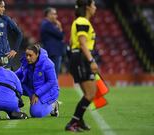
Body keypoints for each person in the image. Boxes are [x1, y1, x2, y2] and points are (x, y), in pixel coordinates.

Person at [65, 0, 98, 132]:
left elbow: (71, 42)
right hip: (82, 59)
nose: (95, 8)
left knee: (88, 93)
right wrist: (91, 61)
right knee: (90, 93)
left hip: (77, 58)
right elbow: (82, 43)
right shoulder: (82, 21)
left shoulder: (78, 22)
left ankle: (79, 121)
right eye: (94, 5)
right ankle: (72, 122)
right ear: (88, 7)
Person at [15, 44, 59, 118]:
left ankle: (53, 105)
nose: (27, 58)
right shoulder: (25, 62)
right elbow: (18, 74)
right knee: (13, 85)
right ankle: (14, 109)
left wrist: (37, 94)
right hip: (32, 90)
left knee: (36, 113)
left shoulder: (48, 64)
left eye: (30, 55)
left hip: (47, 91)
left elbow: (51, 82)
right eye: (26, 55)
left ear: (37, 54)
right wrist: (8, 76)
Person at [0, 0, 23, 69]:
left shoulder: (6, 19)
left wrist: (15, 50)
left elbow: (19, 34)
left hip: (5, 56)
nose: (4, 9)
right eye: (2, 7)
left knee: (5, 79)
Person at [40, 7, 65, 78]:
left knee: (52, 74)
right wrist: (60, 27)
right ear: (48, 15)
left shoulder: (47, 24)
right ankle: (52, 88)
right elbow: (61, 35)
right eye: (54, 14)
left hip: (52, 51)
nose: (56, 16)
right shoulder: (47, 24)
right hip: (53, 52)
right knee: (53, 74)